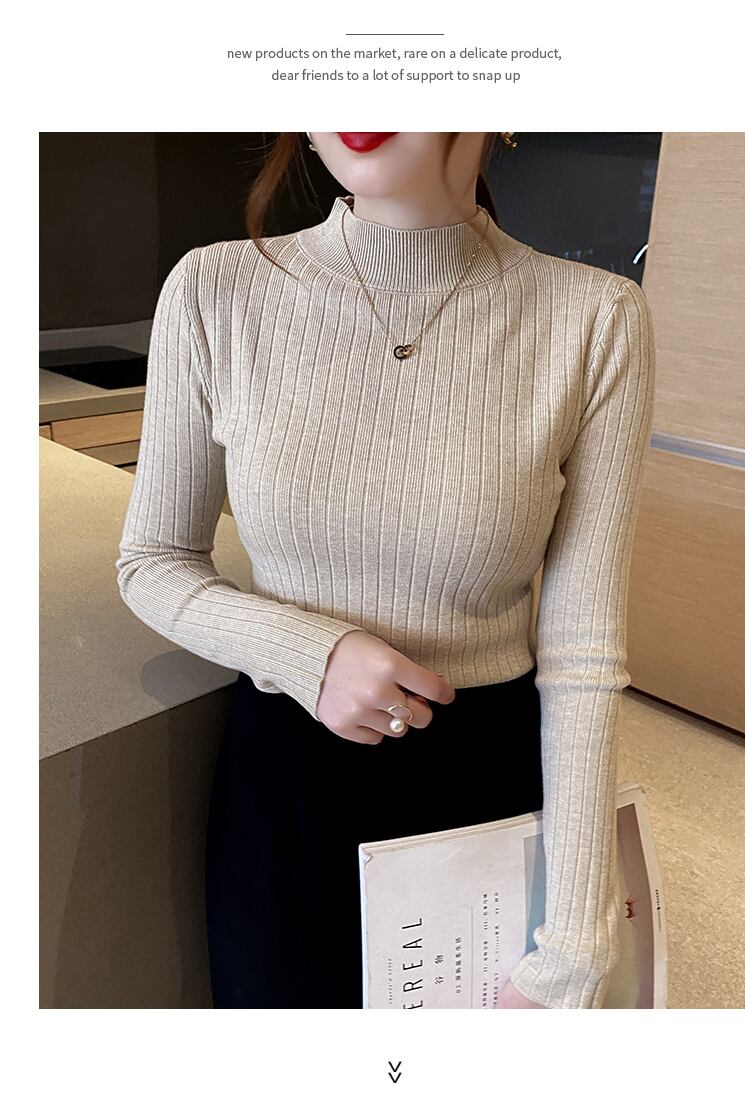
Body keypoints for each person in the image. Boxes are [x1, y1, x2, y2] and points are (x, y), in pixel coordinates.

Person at [116, 131, 656, 1010]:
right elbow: (154, 561)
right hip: (285, 785)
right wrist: (309, 652)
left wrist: (576, 937)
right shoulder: (215, 289)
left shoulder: (595, 318)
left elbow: (583, 655)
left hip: (486, 788)